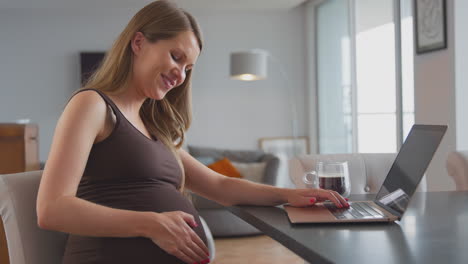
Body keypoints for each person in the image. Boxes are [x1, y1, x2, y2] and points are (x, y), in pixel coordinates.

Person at [36, 1, 349, 264]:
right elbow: (52, 209)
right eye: (176, 56)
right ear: (139, 42)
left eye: (188, 68)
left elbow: (220, 185)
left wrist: (291, 195)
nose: (181, 75)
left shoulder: (153, 125)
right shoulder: (93, 105)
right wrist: (149, 224)